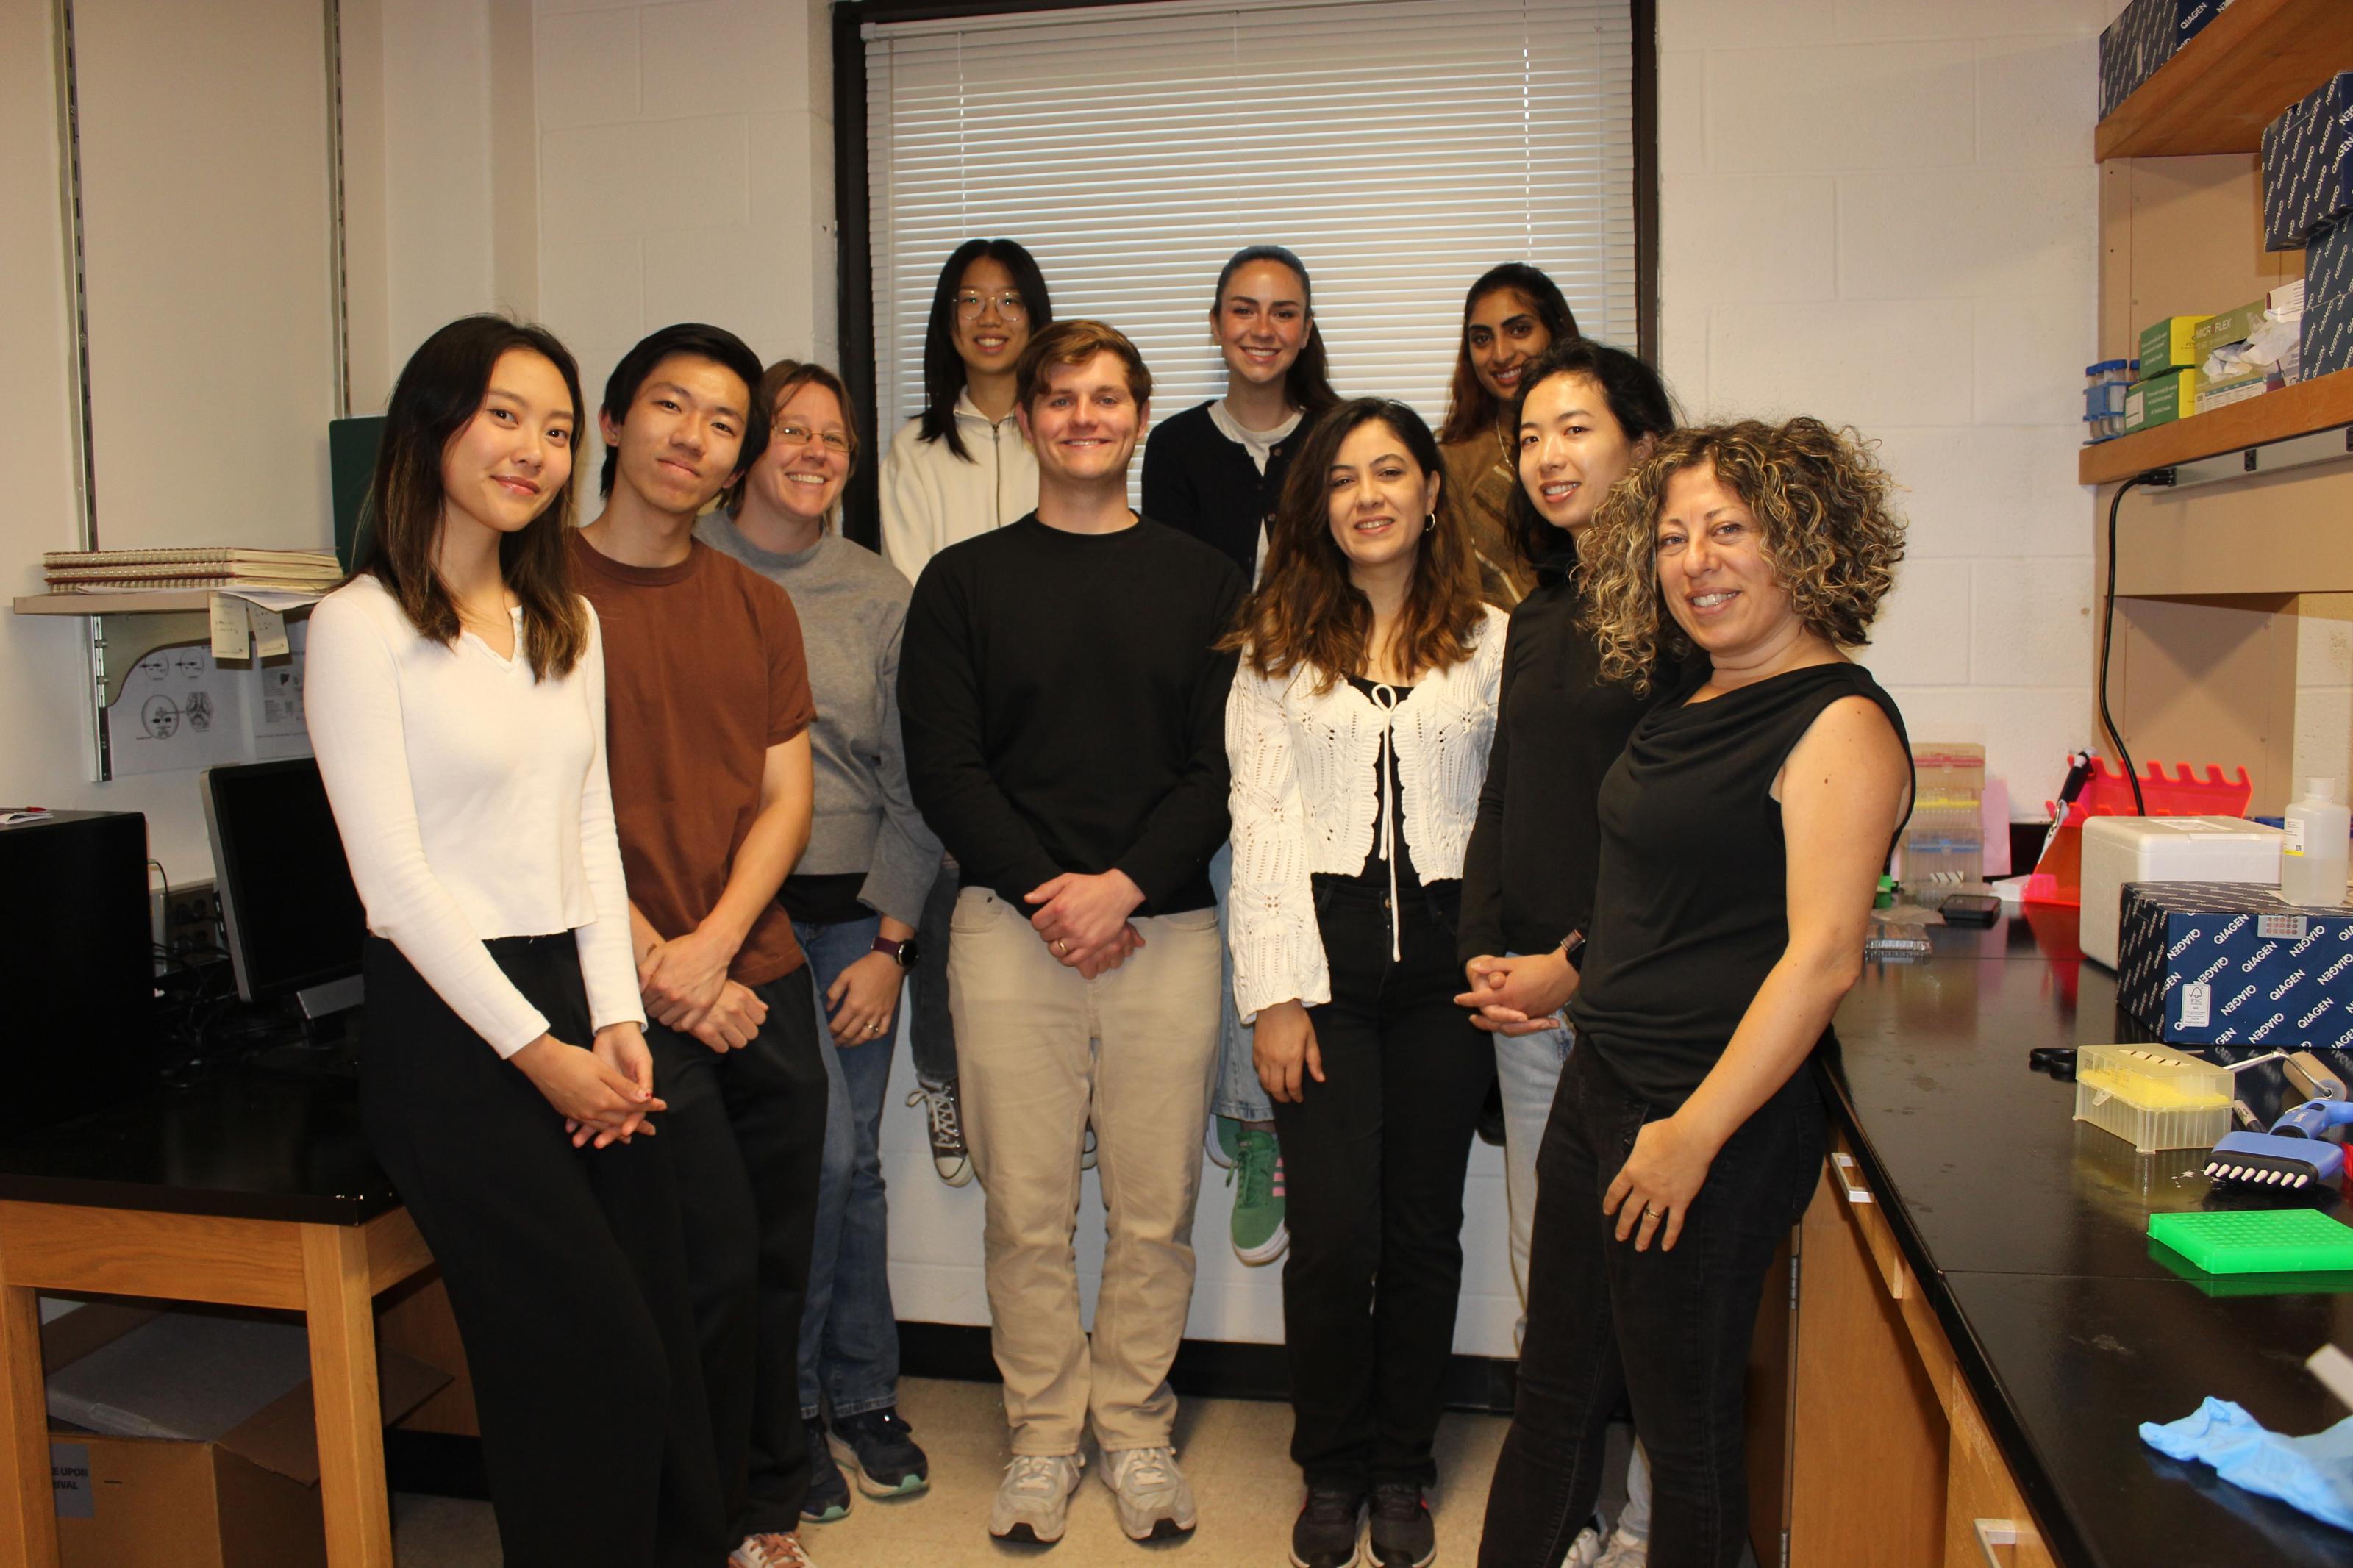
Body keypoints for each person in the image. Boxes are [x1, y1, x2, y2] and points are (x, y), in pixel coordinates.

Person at [306, 314, 726, 1567]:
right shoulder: (361, 625)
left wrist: (615, 1021)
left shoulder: (565, 620)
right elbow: (393, 886)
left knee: (655, 1342)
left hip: (572, 1005)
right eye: (505, 415)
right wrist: (542, 1055)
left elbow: (589, 832)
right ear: (433, 422)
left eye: (555, 427)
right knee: (582, 1361)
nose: (534, 449)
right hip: (457, 1035)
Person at [1477, 419, 1913, 1568]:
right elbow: (1653, 892)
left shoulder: (1841, 723)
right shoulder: (1694, 700)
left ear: (1806, 544)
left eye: (1729, 530)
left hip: (1708, 1116)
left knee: (1690, 1439)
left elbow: (1821, 956)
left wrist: (1694, 1135)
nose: (1694, 561)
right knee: (1555, 1398)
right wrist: (1568, 971)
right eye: (1673, 537)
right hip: (1605, 1084)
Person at [899, 319, 1244, 1549]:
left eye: (1108, 398)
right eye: (1061, 398)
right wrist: (1056, 887)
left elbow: (1222, 765)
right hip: (1008, 927)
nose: (1085, 416)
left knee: (1154, 1210)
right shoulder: (963, 583)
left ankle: (1137, 1430)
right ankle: (1046, 1437)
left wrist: (1124, 885)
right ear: (1032, 418)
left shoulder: (1207, 580)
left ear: (1140, 416)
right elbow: (944, 766)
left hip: (1169, 927)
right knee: (1026, 1210)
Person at [1224, 398, 1504, 1568]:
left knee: (1424, 1232)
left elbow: (1511, 811)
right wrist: (1275, 993)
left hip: (1448, 967)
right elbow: (1261, 820)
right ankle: (1330, 1463)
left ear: (1433, 494)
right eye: (1343, 479)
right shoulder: (1278, 642)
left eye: (1392, 473)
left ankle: (1403, 1462)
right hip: (1324, 965)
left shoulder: (1493, 638)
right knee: (1336, 1239)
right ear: (1317, 506)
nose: (1369, 495)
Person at [572, 322, 828, 1568]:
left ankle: (766, 1502)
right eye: (670, 406)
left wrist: (714, 948)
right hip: (621, 1001)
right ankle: (700, 1521)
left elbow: (787, 800)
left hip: (757, 981)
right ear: (613, 423)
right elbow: (538, 814)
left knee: (781, 1261)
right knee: (702, 1270)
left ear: (739, 463)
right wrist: (666, 972)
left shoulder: (758, 605)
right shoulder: (532, 597)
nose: (694, 436)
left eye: (724, 422)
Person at [700, 357, 943, 1527]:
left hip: (852, 918)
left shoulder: (879, 593)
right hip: (731, 925)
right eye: (788, 430)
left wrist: (894, 937)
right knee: (811, 1165)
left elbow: (919, 779)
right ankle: (788, 1412)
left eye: (832, 438)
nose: (811, 452)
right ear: (749, 448)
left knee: (852, 1166)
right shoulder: (690, 571)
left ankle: (858, 1394)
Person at [1452, 340, 1683, 1568]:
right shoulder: (1537, 613)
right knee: (1555, 1282)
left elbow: (1685, 832)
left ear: (1642, 446)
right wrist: (1487, 944)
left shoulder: (1686, 605)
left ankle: (1647, 1525)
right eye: (1530, 433)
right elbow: (1506, 792)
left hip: (1631, 1003)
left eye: (1575, 428)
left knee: (1645, 1289)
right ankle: (1586, 1511)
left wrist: (1577, 966)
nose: (1546, 454)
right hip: (1527, 1000)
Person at [1140, 243, 1342, 1267]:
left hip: (1324, 709)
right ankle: (1253, 1121)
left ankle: (1292, 1116)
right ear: (1218, 325)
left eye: (1284, 312)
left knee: (1314, 908)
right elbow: (1176, 594)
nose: (1263, 328)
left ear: (1306, 329)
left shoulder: (1341, 439)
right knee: (1232, 901)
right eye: (1243, 310)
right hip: (1219, 710)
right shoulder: (1175, 444)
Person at [879, 237, 1056, 1189]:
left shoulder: (1059, 428)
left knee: (1055, 900)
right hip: (950, 710)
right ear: (950, 325)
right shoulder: (913, 448)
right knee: (942, 902)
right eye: (970, 302)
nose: (991, 318)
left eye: (1009, 300)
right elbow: (915, 595)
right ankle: (943, 1081)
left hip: (1049, 716)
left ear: (1035, 316)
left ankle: (1069, 1097)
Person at [1435, 264, 1578, 610]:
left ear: (1555, 330)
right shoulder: (1454, 463)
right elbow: (1462, 600)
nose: (1500, 354)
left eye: (1519, 330)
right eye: (1482, 339)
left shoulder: (1601, 435)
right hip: (1506, 652)